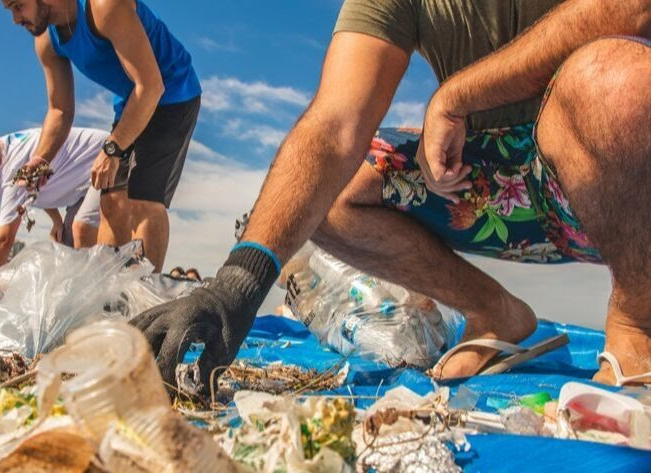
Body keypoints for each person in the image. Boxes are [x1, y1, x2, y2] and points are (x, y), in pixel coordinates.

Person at [133, 0, 651, 392]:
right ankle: (495, 312)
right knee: (336, 190)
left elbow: (630, 8)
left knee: (616, 82)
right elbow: (335, 126)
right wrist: (236, 285)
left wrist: (456, 96)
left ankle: (636, 322)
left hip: (617, 181)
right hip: (491, 189)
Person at [0, 0, 201, 272]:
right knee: (112, 204)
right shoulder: (46, 39)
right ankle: (109, 300)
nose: (15, 19)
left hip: (171, 91)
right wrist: (40, 159)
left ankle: (146, 302)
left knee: (143, 200)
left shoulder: (104, 6)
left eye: (17, 6)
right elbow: (59, 110)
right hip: (132, 100)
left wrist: (112, 149)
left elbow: (151, 86)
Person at [0, 123, 125, 274]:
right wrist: (56, 221)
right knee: (68, 249)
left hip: (113, 161)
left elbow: (4, 240)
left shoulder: (12, 172)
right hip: (87, 183)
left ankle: (102, 303)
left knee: (82, 230)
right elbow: (38, 186)